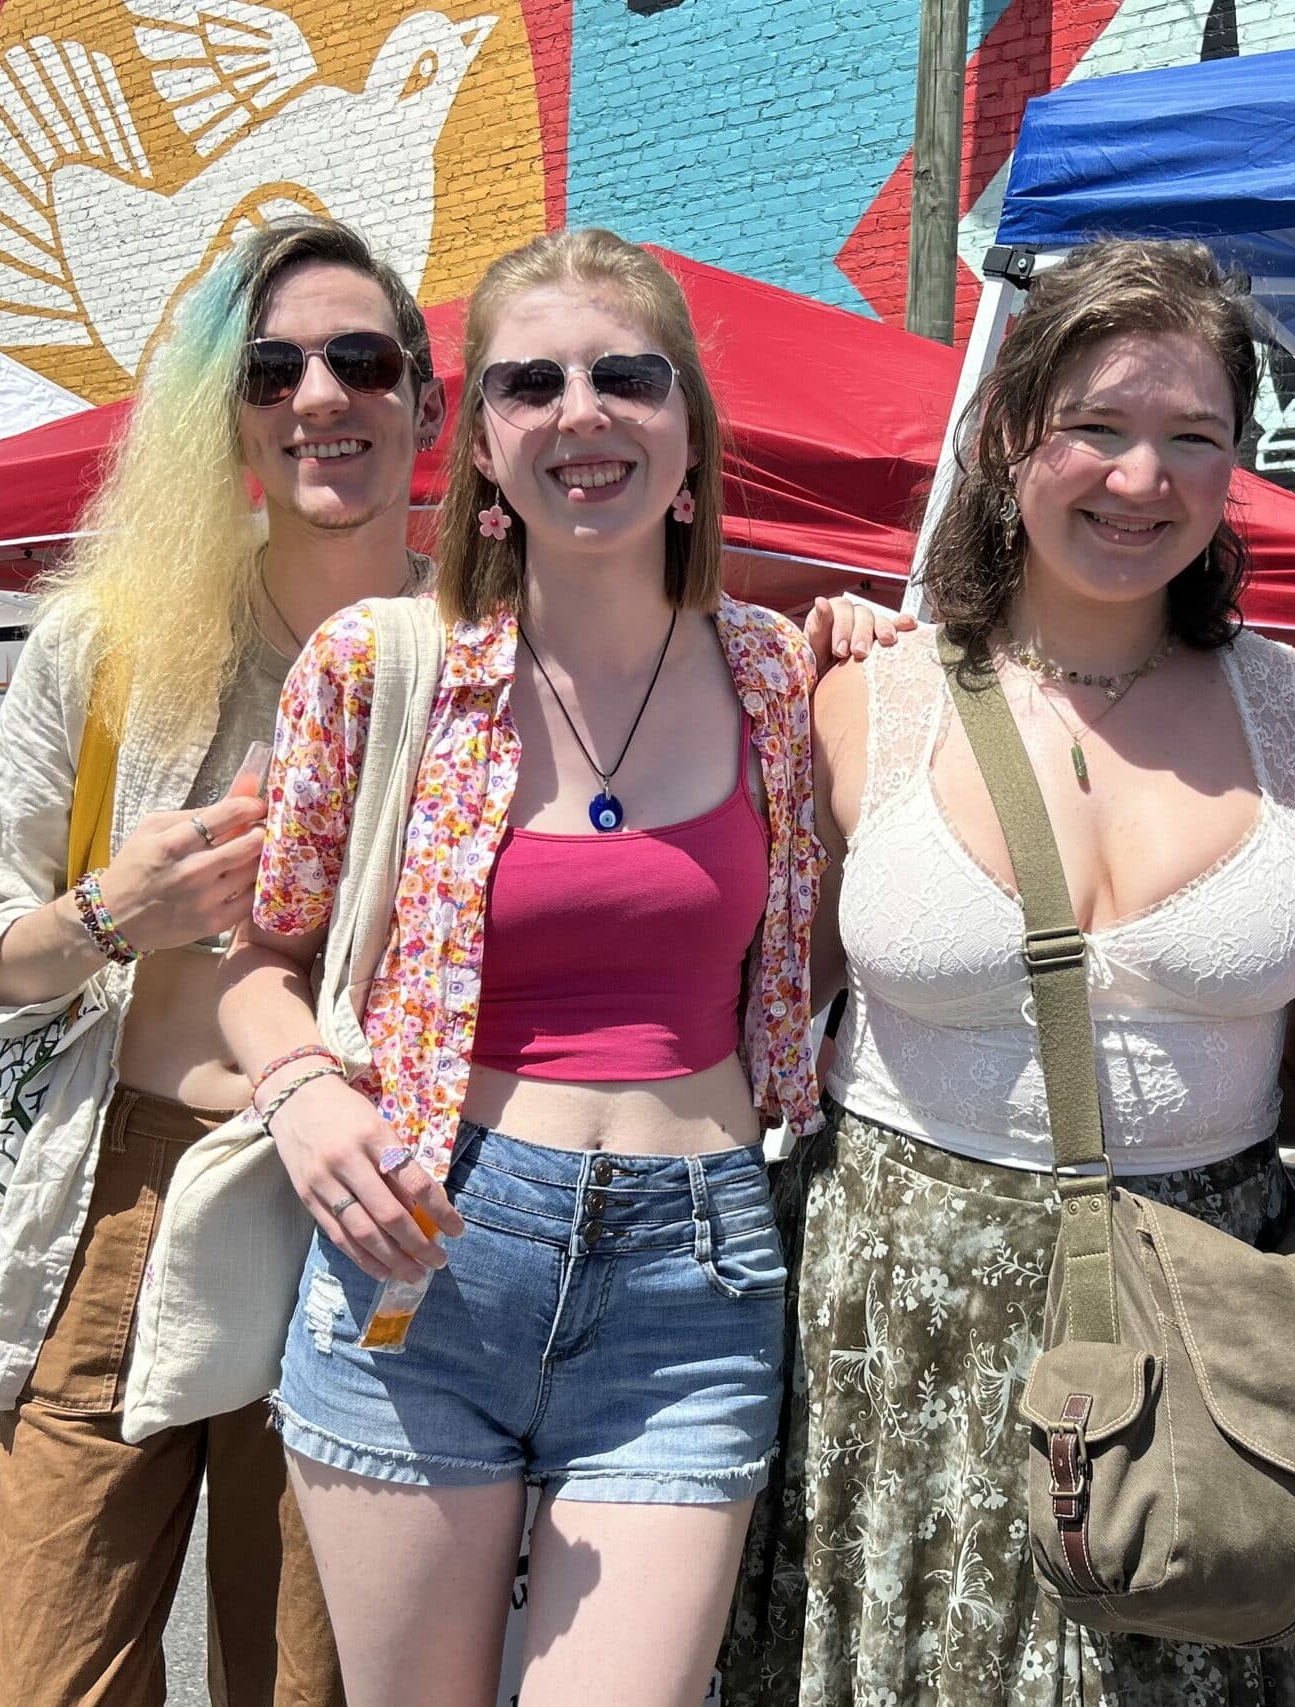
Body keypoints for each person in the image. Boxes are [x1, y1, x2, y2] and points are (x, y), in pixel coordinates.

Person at [722, 238, 1295, 1707]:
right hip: (898, 1323)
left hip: (1207, 1343)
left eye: (1194, 438)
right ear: (1010, 437)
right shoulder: (862, 702)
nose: (1143, 478)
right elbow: (746, 1016)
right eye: (1100, 426)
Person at [219, 227, 828, 1707]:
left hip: (694, 1273)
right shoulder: (379, 665)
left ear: (689, 429)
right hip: (425, 1251)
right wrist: (300, 1091)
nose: (581, 411)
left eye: (627, 375)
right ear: (482, 444)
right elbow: (258, 954)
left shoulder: (783, 675)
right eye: (530, 383)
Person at [0, 215, 449, 1706]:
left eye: (360, 360)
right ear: (226, 406)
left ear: (420, 394)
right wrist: (112, 909)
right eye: (272, 368)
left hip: (364, 1202)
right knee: (50, 1676)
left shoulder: (486, 647)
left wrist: (852, 638)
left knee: (303, 1679)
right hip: (127, 1190)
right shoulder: (115, 635)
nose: (318, 398)